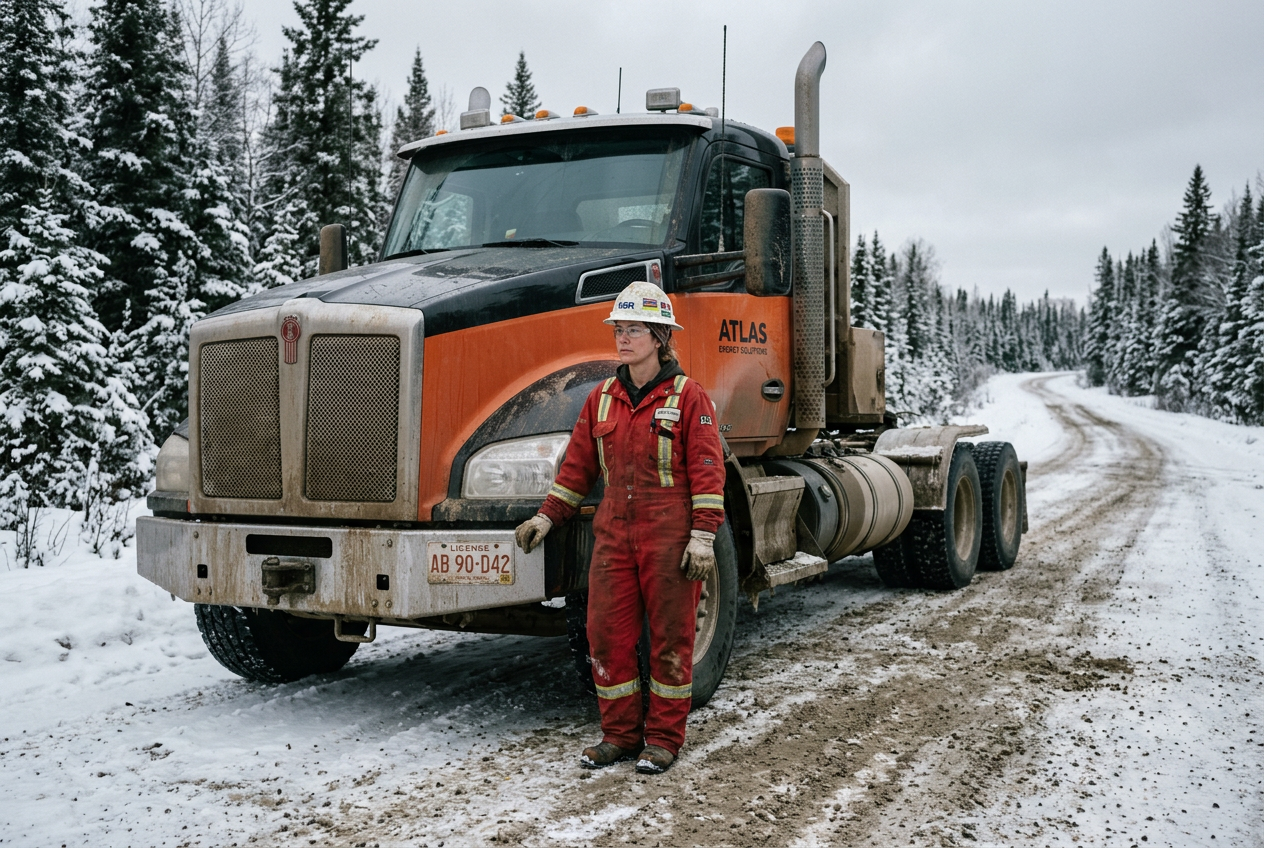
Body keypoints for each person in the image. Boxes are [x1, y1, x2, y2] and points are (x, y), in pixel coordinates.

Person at [514, 282, 726, 774]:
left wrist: (703, 535)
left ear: (658, 337)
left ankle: (665, 740)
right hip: (614, 531)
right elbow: (576, 469)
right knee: (604, 634)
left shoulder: (689, 397)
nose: (622, 338)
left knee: (671, 638)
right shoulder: (602, 399)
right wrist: (547, 516)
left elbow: (707, 471)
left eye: (633, 329)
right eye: (619, 329)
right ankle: (620, 735)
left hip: (669, 532)